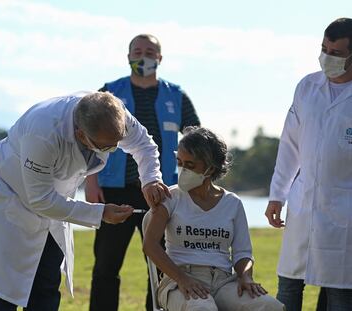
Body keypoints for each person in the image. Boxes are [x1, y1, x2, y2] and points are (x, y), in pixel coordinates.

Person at [0, 91, 171, 310]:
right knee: (2, 292)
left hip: (55, 203)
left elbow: (143, 144)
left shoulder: (113, 111)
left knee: (47, 285)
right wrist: (100, 213)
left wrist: (150, 179)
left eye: (117, 142)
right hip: (10, 196)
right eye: (107, 147)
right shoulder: (43, 132)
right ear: (80, 135)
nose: (113, 150)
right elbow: (41, 200)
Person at [87, 34, 200, 311]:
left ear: (160, 58)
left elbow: (196, 141)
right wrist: (91, 181)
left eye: (150, 51)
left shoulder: (177, 96)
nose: (143, 56)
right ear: (128, 57)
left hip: (162, 193)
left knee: (161, 264)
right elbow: (87, 138)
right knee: (106, 264)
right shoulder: (109, 92)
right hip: (114, 190)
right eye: (137, 51)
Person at [143, 126, 284, 311]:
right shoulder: (171, 197)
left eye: (190, 165)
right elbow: (150, 245)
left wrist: (245, 277)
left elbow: (243, 253)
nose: (183, 170)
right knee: (202, 308)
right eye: (180, 163)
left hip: (224, 282)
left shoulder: (232, 203)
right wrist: (183, 279)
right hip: (179, 280)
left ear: (210, 168)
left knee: (270, 306)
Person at [265, 17, 352, 311]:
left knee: (341, 294)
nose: (327, 58)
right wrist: (278, 194)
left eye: (337, 53)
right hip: (302, 205)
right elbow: (289, 146)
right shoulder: (306, 87)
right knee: (289, 286)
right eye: (324, 49)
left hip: (345, 213)